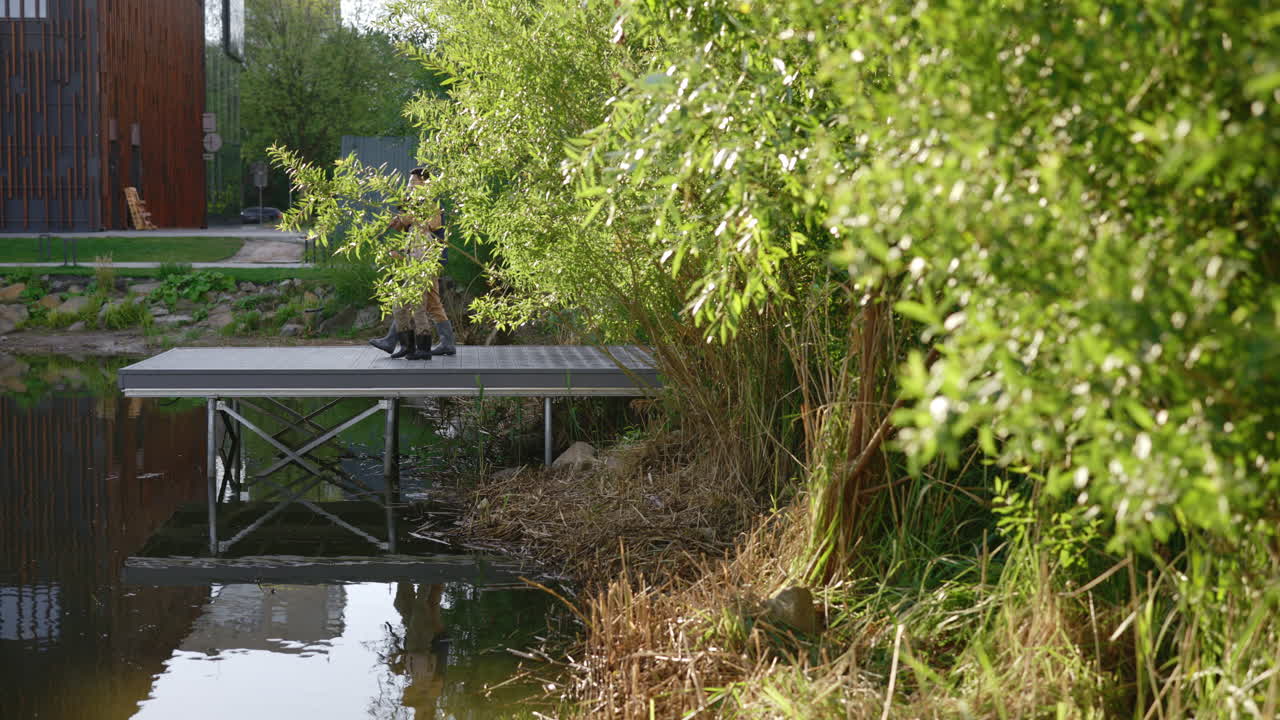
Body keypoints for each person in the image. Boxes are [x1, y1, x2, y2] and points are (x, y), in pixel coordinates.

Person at [370, 167, 458, 359]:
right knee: (431, 302)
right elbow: (409, 228)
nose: (409, 186)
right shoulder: (413, 203)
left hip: (428, 258)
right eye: (409, 183)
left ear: (425, 182)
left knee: (412, 300)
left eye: (413, 182)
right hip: (417, 257)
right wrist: (399, 223)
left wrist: (406, 217)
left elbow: (431, 224)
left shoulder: (431, 202)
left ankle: (400, 343)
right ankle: (445, 343)